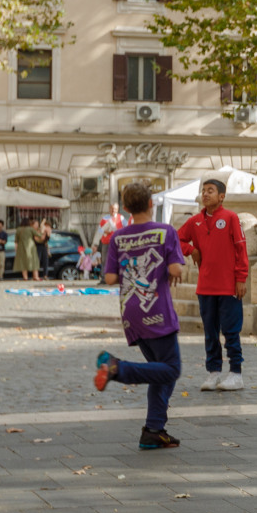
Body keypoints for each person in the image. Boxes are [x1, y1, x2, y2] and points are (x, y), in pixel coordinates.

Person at [95, 181, 186, 451]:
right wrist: (172, 269)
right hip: (156, 310)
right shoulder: (165, 231)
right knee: (172, 369)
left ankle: (153, 430)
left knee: (161, 373)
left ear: (125, 208)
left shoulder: (118, 237)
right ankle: (117, 368)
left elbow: (110, 277)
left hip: (131, 311)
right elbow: (177, 270)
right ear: (151, 203)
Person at [178, 179, 250, 392]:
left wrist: (241, 278)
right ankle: (213, 373)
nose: (206, 194)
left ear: (221, 196)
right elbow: (175, 238)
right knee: (210, 332)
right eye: (204, 190)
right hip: (205, 287)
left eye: (211, 191)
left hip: (229, 287)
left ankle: (236, 373)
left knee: (231, 331)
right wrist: (191, 251)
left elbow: (241, 250)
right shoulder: (195, 221)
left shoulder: (231, 218)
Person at [13, 215, 40, 280]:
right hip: (31, 247)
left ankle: (25, 277)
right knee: (34, 261)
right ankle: (35, 276)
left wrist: (16, 249)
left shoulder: (18, 229)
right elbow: (39, 235)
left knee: (23, 262)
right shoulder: (30, 229)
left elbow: (16, 240)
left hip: (21, 247)